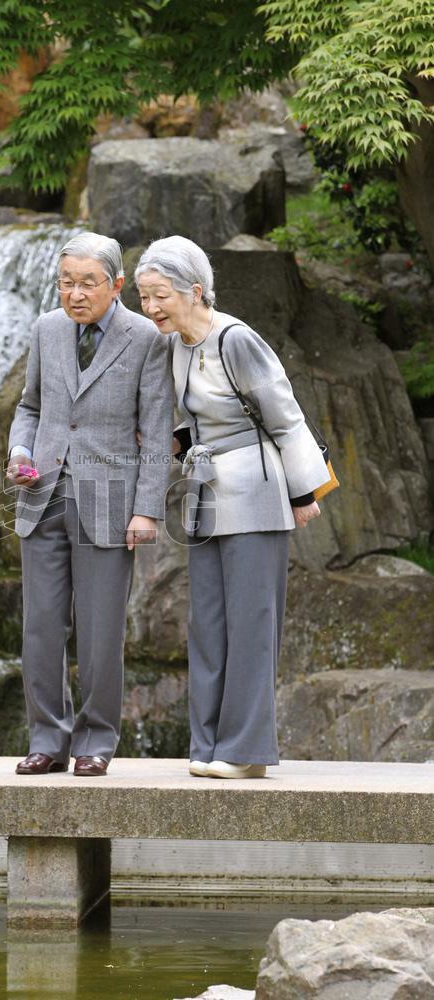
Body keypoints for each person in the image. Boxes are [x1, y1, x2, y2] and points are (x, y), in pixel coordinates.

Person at [135, 236, 330, 779]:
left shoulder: (236, 339)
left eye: (160, 296)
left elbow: (285, 416)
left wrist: (303, 493)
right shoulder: (178, 343)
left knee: (251, 621)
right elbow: (196, 419)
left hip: (256, 490)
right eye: (144, 297)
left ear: (195, 291)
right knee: (209, 623)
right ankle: (209, 746)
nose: (150, 308)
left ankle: (245, 753)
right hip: (206, 494)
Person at [7, 232, 174, 777]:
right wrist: (20, 450)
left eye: (87, 283)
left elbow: (155, 429)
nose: (74, 294)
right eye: (65, 283)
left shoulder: (146, 337)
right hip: (43, 495)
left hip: (110, 502)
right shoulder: (46, 330)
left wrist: (147, 509)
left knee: (101, 632)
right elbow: (30, 406)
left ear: (116, 284)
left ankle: (95, 741)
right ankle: (46, 740)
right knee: (42, 627)